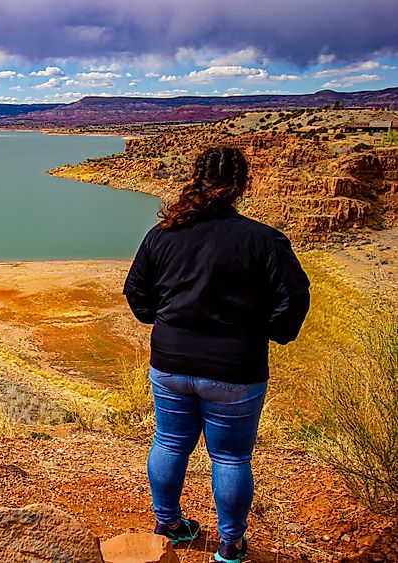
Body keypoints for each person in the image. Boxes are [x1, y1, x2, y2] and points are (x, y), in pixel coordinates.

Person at [122, 146, 311, 563]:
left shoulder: (163, 235)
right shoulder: (263, 240)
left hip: (170, 361)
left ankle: (169, 524)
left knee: (169, 442)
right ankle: (230, 545)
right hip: (235, 368)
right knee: (231, 456)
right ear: (242, 185)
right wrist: (267, 333)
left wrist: (165, 322)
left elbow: (136, 292)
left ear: (196, 177)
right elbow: (294, 298)